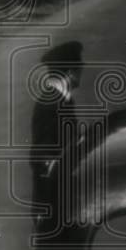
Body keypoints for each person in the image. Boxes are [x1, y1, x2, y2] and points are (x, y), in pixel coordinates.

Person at [31, 41, 82, 207]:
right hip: (52, 200)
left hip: (60, 195)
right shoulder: (51, 104)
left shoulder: (62, 100)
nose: (81, 72)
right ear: (69, 73)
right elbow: (42, 156)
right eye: (78, 69)